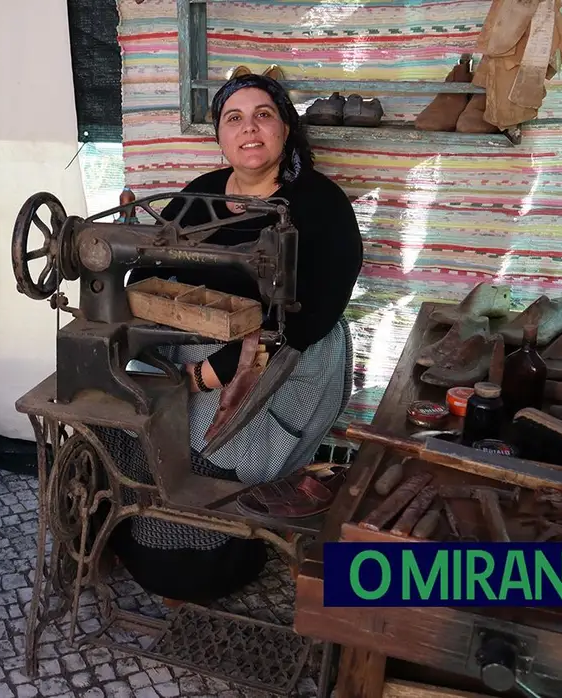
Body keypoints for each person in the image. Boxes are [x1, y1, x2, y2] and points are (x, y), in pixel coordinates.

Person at [94, 71, 364, 603]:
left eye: (263, 115)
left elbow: (308, 319)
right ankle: (125, 534)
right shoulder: (198, 195)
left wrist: (207, 375)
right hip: (194, 345)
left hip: (286, 359)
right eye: (233, 118)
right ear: (219, 134)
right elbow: (147, 264)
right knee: (121, 425)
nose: (249, 129)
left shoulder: (321, 205)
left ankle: (213, 560)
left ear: (285, 128)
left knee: (209, 450)